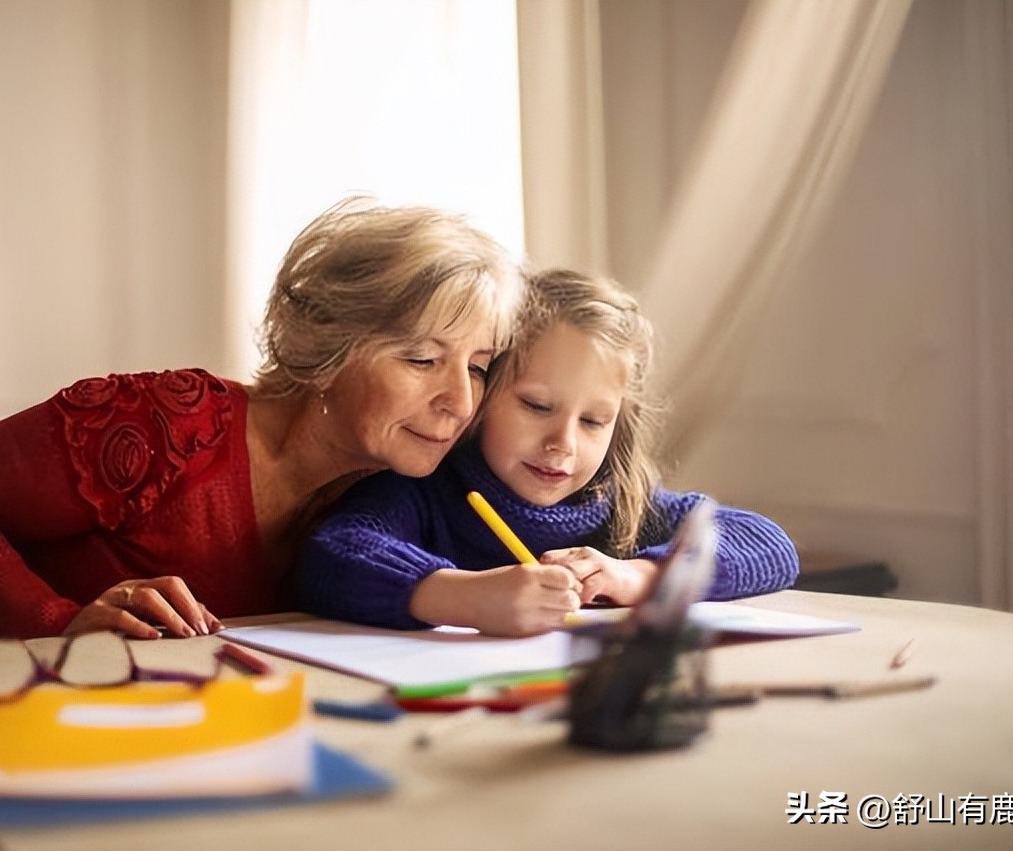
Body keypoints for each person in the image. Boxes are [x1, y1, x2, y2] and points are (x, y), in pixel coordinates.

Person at [0, 198, 525, 648]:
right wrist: (59, 618)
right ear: (329, 347)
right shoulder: (169, 423)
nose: (460, 402)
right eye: (421, 359)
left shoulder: (388, 494)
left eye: (477, 366)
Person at [296, 268, 799, 637]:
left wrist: (639, 575)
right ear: (484, 392)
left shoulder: (619, 502)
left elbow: (768, 543)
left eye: (593, 421)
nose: (563, 443)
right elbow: (331, 554)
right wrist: (465, 597)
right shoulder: (425, 490)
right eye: (537, 406)